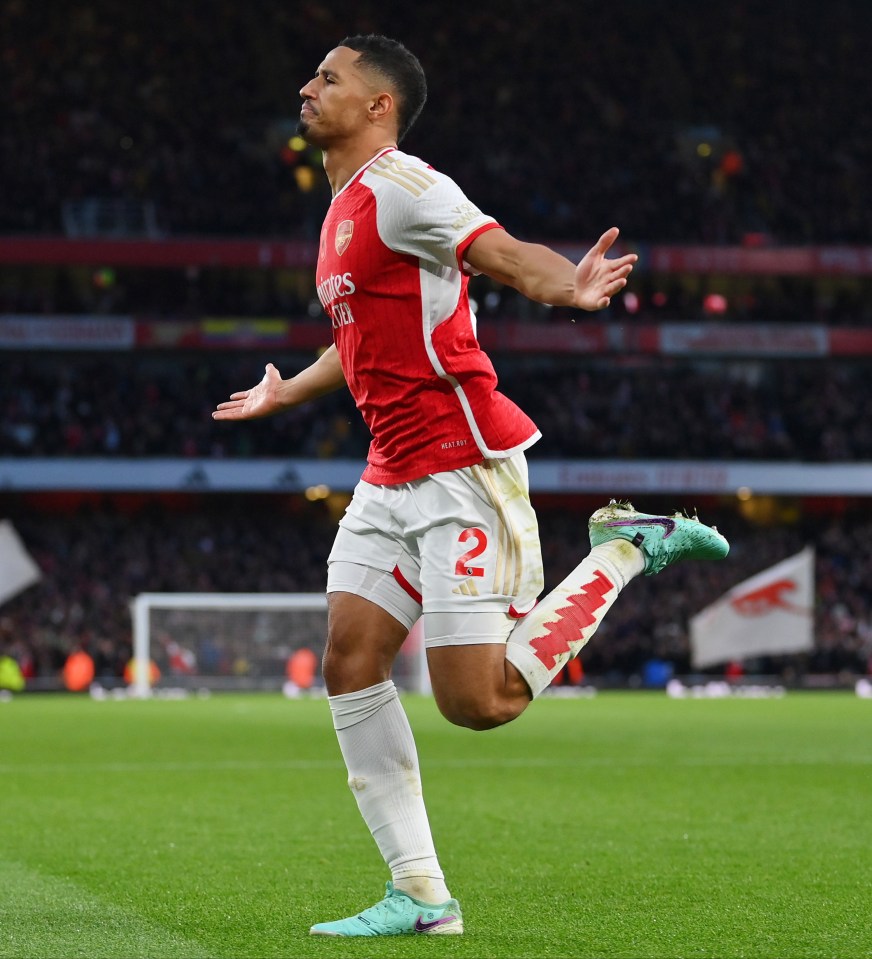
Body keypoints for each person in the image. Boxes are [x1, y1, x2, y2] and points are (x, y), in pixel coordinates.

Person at [213, 34, 729, 938]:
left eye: (328, 78)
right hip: (389, 471)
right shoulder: (340, 209)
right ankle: (420, 893)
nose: (306, 87)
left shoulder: (409, 185)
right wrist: (288, 387)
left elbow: (501, 251)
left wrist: (564, 285)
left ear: (379, 105)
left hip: (460, 464)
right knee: (350, 655)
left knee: (477, 701)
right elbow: (365, 336)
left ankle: (621, 550)